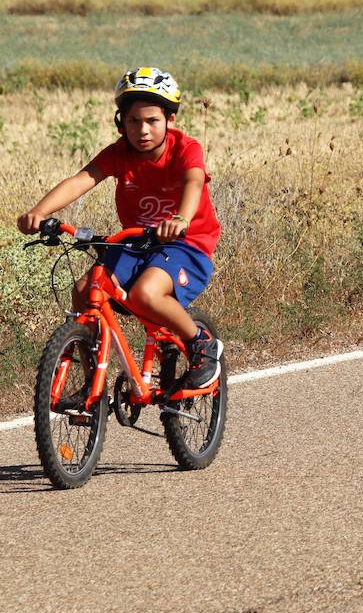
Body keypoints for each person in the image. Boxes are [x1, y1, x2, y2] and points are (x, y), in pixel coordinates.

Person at [17, 67, 223, 389]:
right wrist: (39, 212)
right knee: (85, 292)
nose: (142, 130)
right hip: (138, 242)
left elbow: (194, 181)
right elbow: (81, 180)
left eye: (152, 121)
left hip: (187, 244)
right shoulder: (119, 153)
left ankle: (202, 344)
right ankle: (90, 384)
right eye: (133, 121)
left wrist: (181, 220)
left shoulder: (185, 148)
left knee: (145, 294)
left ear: (170, 120)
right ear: (121, 122)